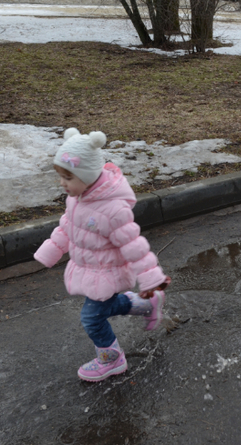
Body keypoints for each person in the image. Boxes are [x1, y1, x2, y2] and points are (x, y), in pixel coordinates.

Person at [34, 128, 170, 382]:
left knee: (92, 318)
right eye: (61, 176)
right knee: (105, 307)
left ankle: (112, 359)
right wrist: (51, 249)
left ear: (87, 175)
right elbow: (67, 226)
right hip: (89, 268)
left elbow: (134, 245)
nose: (62, 183)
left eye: (68, 177)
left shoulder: (113, 210)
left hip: (107, 272)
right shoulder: (77, 198)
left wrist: (151, 279)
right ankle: (147, 305)